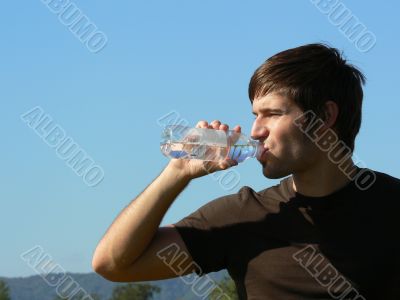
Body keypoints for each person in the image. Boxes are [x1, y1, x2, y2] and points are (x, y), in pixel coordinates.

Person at [92, 43, 400, 299]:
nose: (255, 131)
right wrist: (176, 174)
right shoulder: (244, 215)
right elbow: (113, 264)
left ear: (325, 116)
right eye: (255, 115)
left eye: (272, 113)